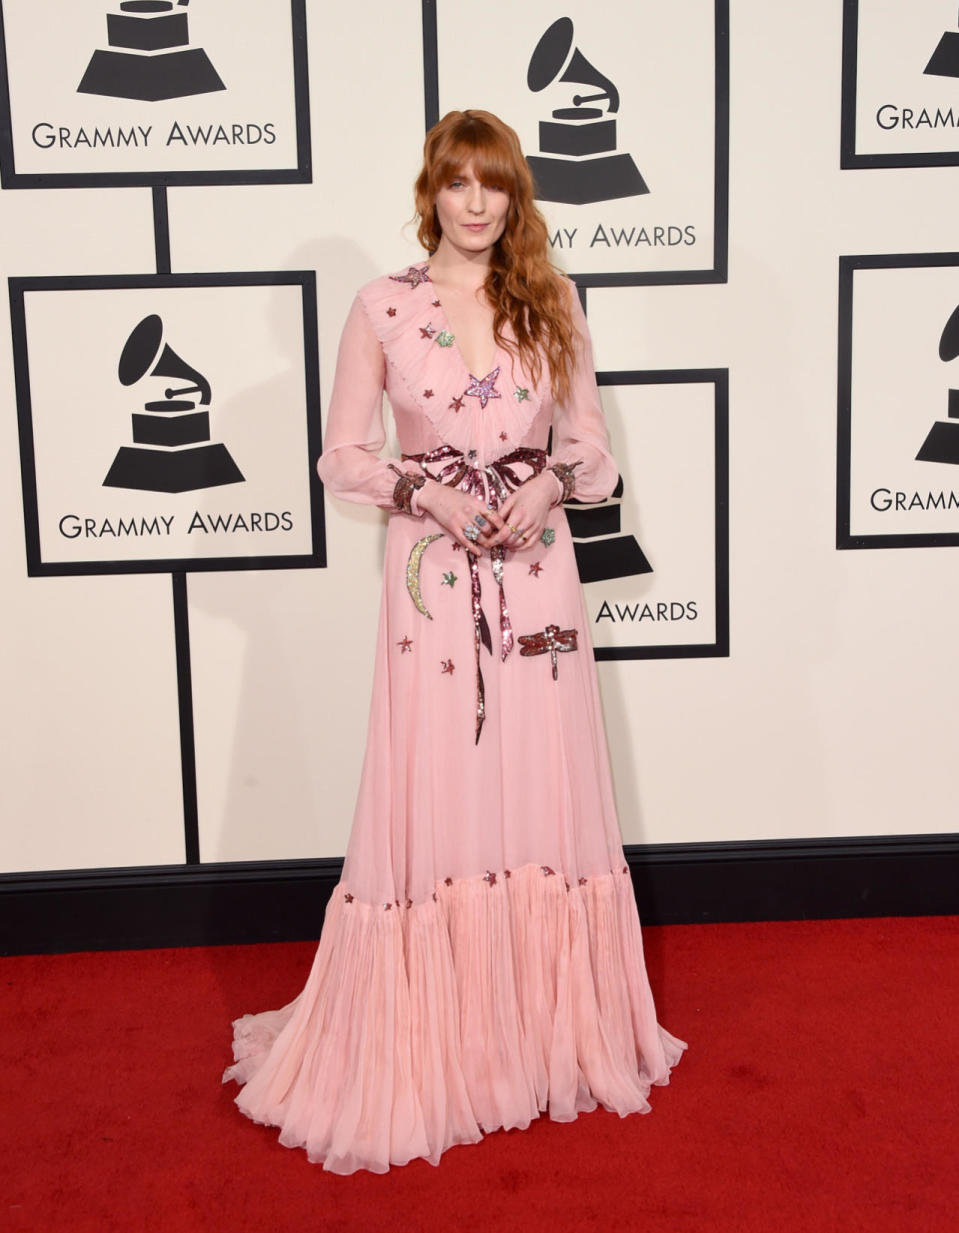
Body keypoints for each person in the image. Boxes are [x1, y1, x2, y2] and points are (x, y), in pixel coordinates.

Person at [223, 109, 685, 1175]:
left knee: (537, 783)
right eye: (457, 184)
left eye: (495, 186)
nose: (475, 204)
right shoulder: (380, 307)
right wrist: (422, 492)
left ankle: (537, 1043)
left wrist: (549, 487)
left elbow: (591, 451)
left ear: (515, 198)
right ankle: (431, 1051)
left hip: (536, 573)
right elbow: (341, 454)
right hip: (430, 584)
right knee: (434, 788)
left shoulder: (552, 300)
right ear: (429, 191)